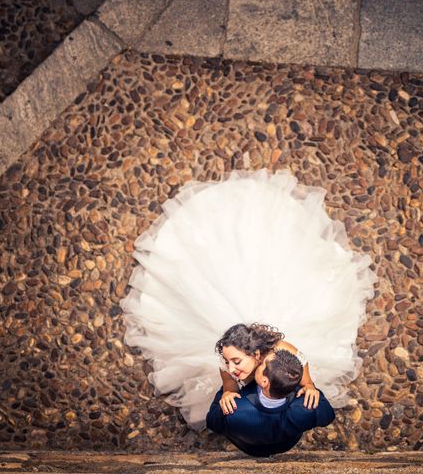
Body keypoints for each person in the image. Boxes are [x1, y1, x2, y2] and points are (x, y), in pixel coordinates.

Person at [120, 169, 377, 430]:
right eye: (229, 361)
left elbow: (302, 358)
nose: (231, 368)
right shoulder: (227, 364)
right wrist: (230, 391)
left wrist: (308, 384)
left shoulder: (280, 350)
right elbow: (228, 377)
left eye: (236, 362)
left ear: (257, 355)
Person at [206, 348, 335, 457]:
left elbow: (212, 422)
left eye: (262, 364)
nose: (259, 360)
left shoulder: (234, 410)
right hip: (287, 444)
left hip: (249, 448)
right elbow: (329, 415)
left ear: (264, 381)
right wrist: (310, 388)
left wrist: (225, 393)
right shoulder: (308, 408)